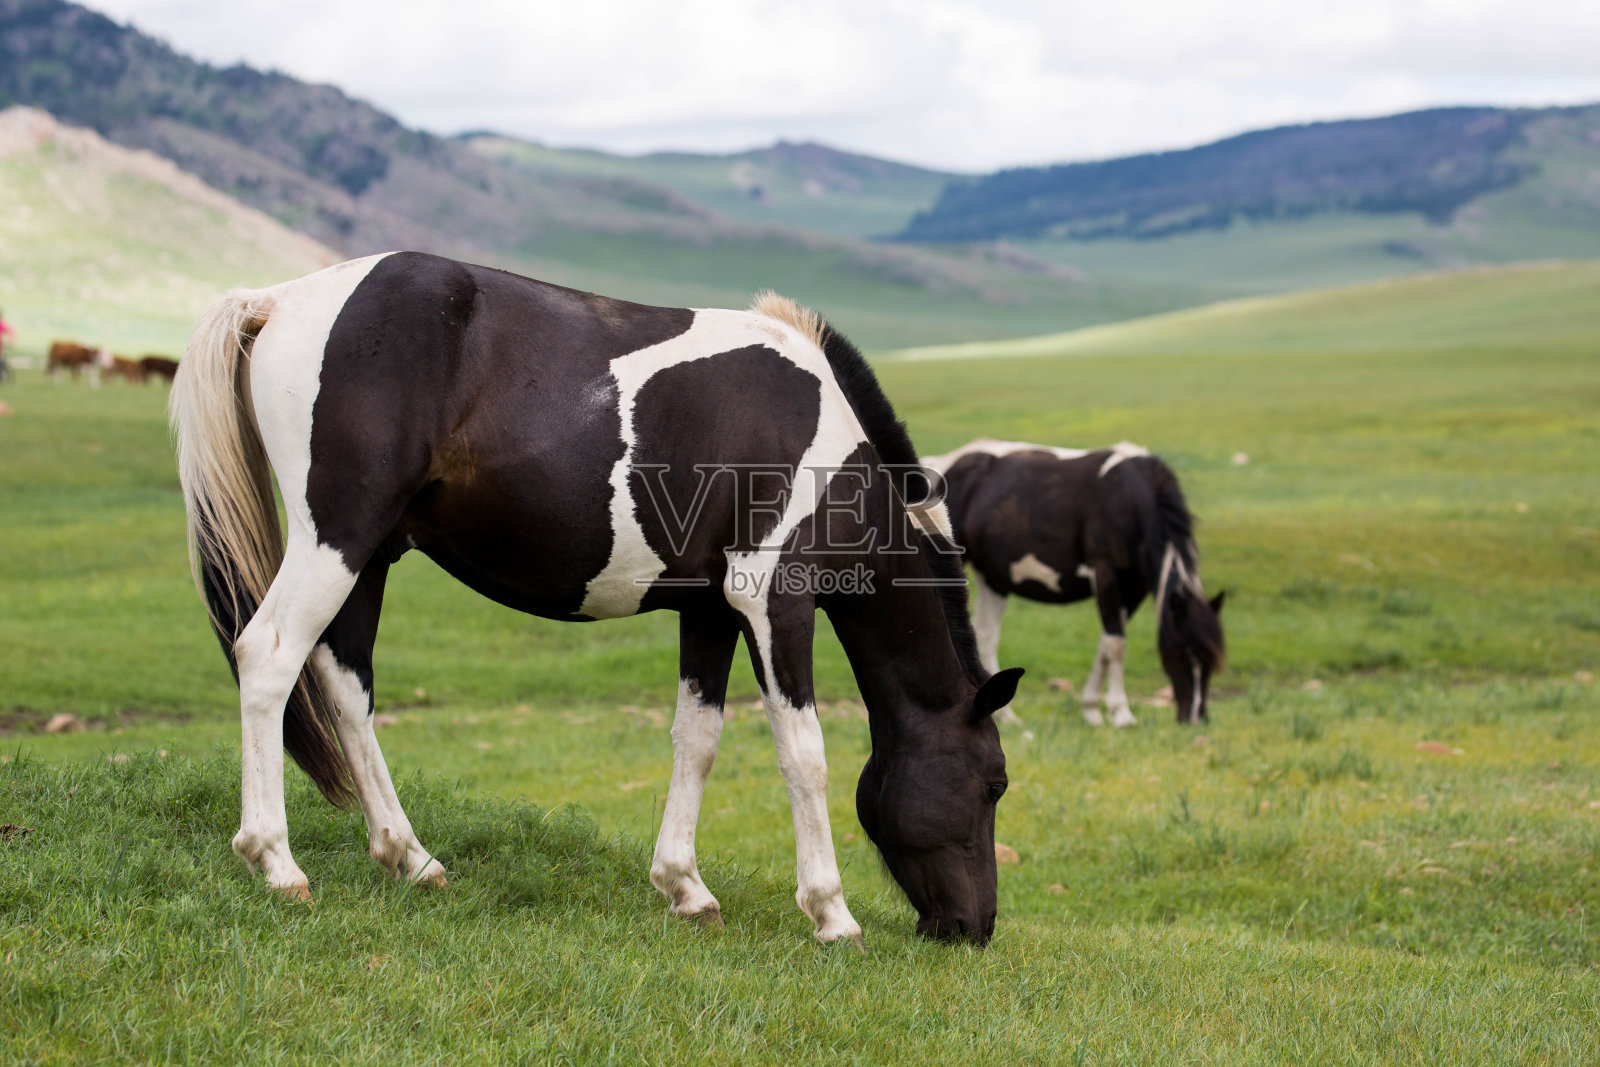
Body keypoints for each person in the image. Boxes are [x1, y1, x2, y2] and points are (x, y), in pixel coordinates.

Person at [0, 308, 14, 383]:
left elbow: (10, 331)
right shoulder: (2, 323)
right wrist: (11, 341)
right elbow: (10, 331)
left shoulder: (1, 323)